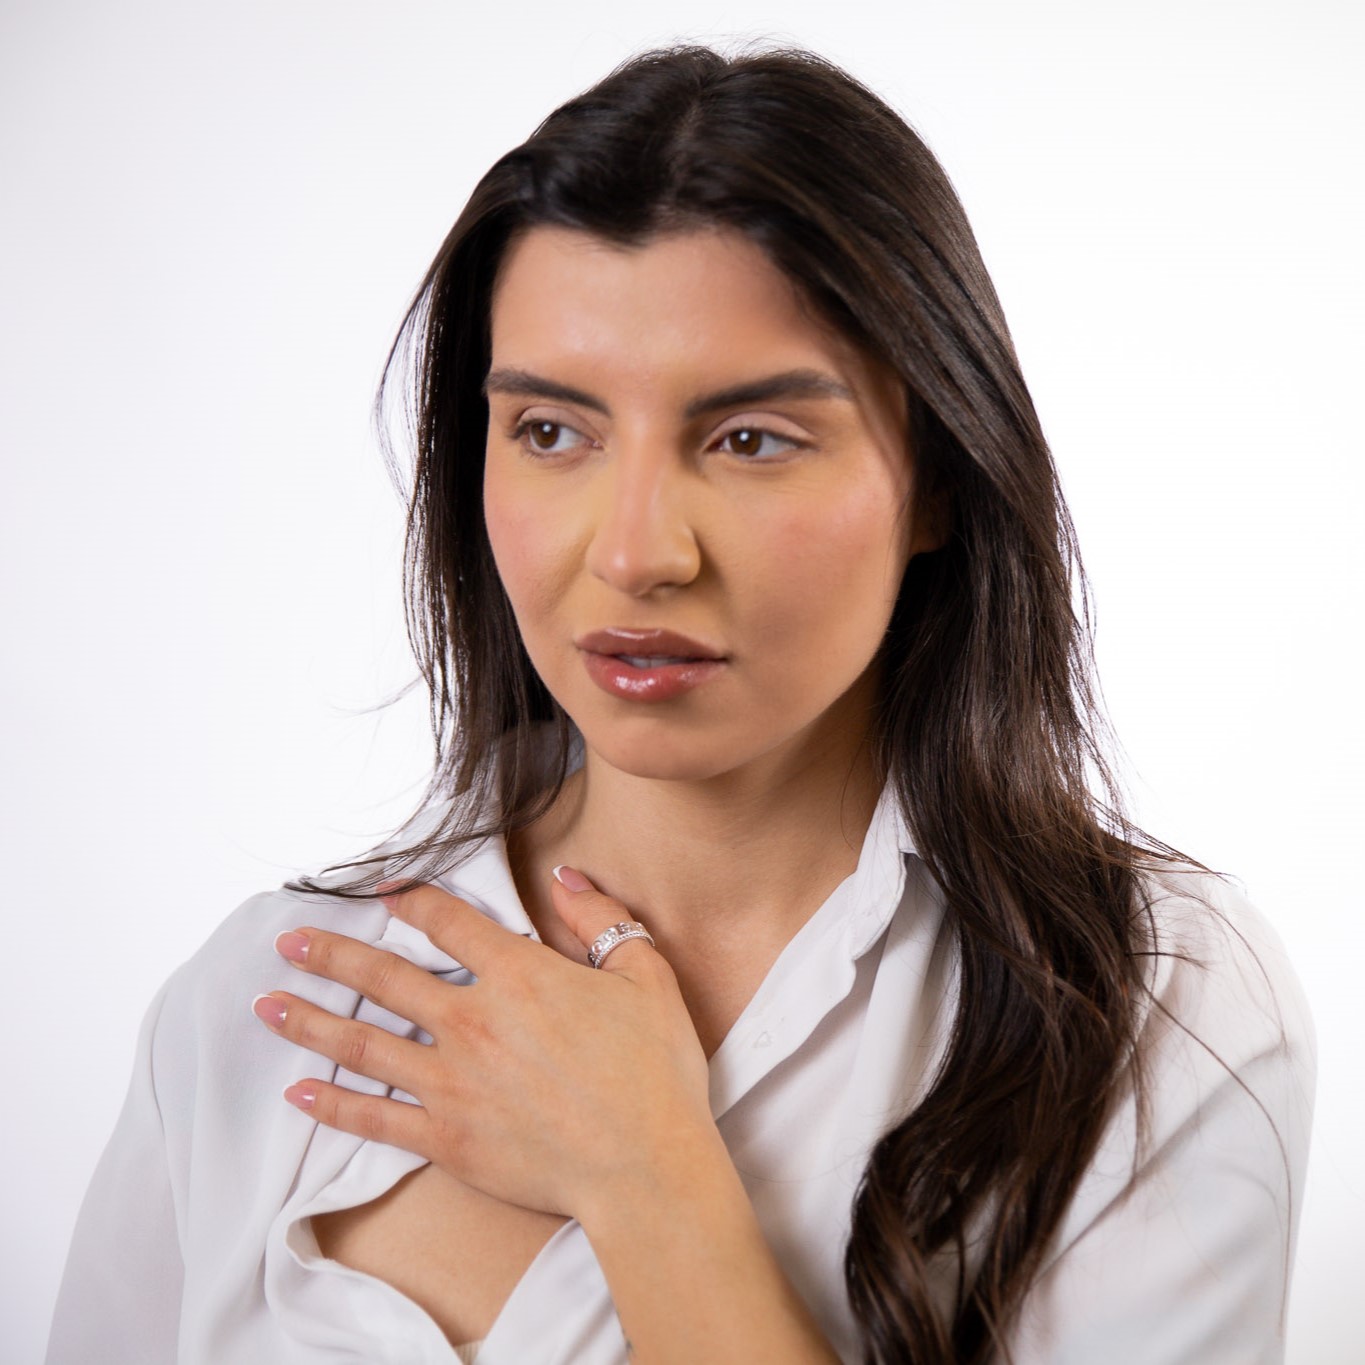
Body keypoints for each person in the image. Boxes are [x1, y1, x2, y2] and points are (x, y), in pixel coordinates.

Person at [46, 44, 1314, 1365]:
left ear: (939, 477)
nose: (636, 552)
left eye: (750, 439)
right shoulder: (261, 1003)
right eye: (551, 431)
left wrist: (647, 1176)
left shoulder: (1149, 1006)